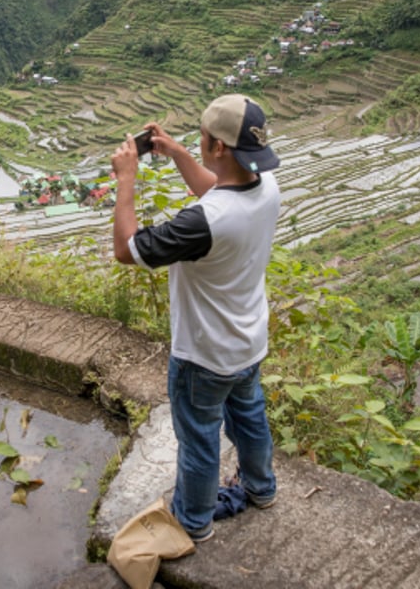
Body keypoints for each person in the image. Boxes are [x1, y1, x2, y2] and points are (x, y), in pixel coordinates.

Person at [110, 94, 282, 544]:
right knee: (250, 417)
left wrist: (126, 178)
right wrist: (181, 154)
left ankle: (194, 521)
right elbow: (220, 192)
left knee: (200, 441)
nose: (200, 141)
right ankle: (261, 490)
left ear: (219, 147)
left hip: (203, 355)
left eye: (202, 137)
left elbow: (127, 251)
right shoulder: (266, 187)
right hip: (248, 342)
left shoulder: (202, 223)